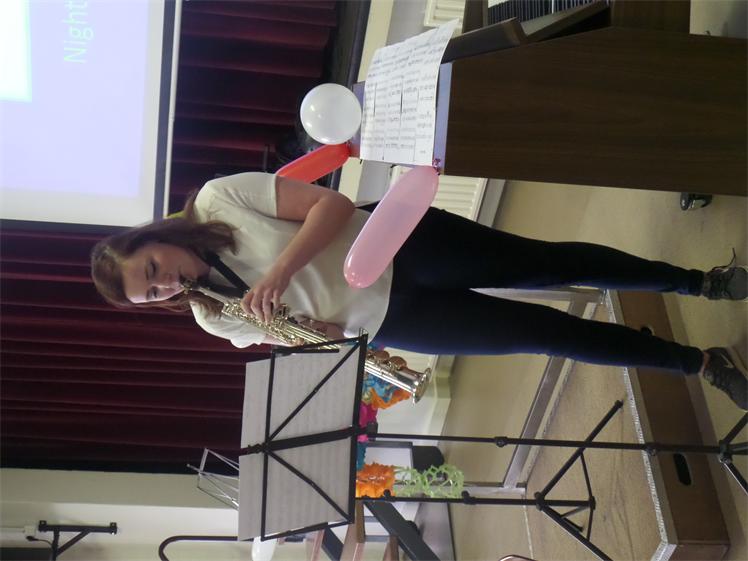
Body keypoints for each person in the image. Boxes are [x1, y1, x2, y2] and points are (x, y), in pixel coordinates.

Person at [91, 172, 748, 410]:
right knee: (548, 336)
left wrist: (282, 270)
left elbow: (332, 205)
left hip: (403, 243)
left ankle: (697, 281)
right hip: (394, 318)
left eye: (152, 268)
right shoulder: (215, 320)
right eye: (153, 293)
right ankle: (699, 363)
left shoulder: (218, 199)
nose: (166, 283)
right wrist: (322, 339)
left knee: (545, 265)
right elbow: (312, 337)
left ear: (155, 237)